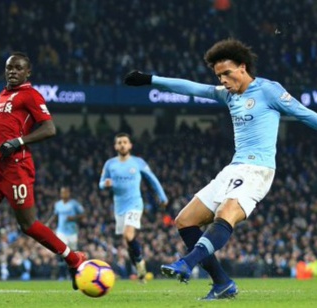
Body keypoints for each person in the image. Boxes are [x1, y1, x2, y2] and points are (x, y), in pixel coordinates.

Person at [123, 38, 317, 300]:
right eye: (218, 75)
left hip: (257, 170)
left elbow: (306, 115)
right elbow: (190, 87)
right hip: (233, 169)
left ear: (242, 67)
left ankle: (187, 263)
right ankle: (222, 283)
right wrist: (149, 79)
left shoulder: (269, 91)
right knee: (185, 221)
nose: (223, 80)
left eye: (227, 73)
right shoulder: (227, 94)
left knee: (226, 212)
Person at [0, 52, 86, 296]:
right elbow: (5, 130)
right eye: (9, 67)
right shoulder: (2, 95)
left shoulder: (30, 95)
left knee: (28, 225)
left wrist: (19, 141)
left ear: (27, 72)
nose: (12, 71)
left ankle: (74, 258)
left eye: (18, 68)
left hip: (16, 168)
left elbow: (49, 128)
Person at [99, 133, 168, 283]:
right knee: (127, 239)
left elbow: (152, 179)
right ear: (115, 146)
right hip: (119, 206)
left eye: (125, 142)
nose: (122, 145)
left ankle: (140, 264)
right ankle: (139, 269)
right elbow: (101, 183)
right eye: (119, 142)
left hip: (135, 204)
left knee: (128, 234)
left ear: (130, 145)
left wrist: (162, 197)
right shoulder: (110, 164)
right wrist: (106, 184)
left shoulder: (138, 162)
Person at [46, 186, 85, 280]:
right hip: (61, 231)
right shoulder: (58, 204)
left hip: (72, 232)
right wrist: (48, 223)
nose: (63, 194)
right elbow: (55, 215)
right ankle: (62, 275)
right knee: (61, 252)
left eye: (65, 192)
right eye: (62, 192)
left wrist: (74, 218)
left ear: (69, 193)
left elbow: (83, 215)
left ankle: (73, 273)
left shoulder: (74, 204)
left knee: (73, 253)